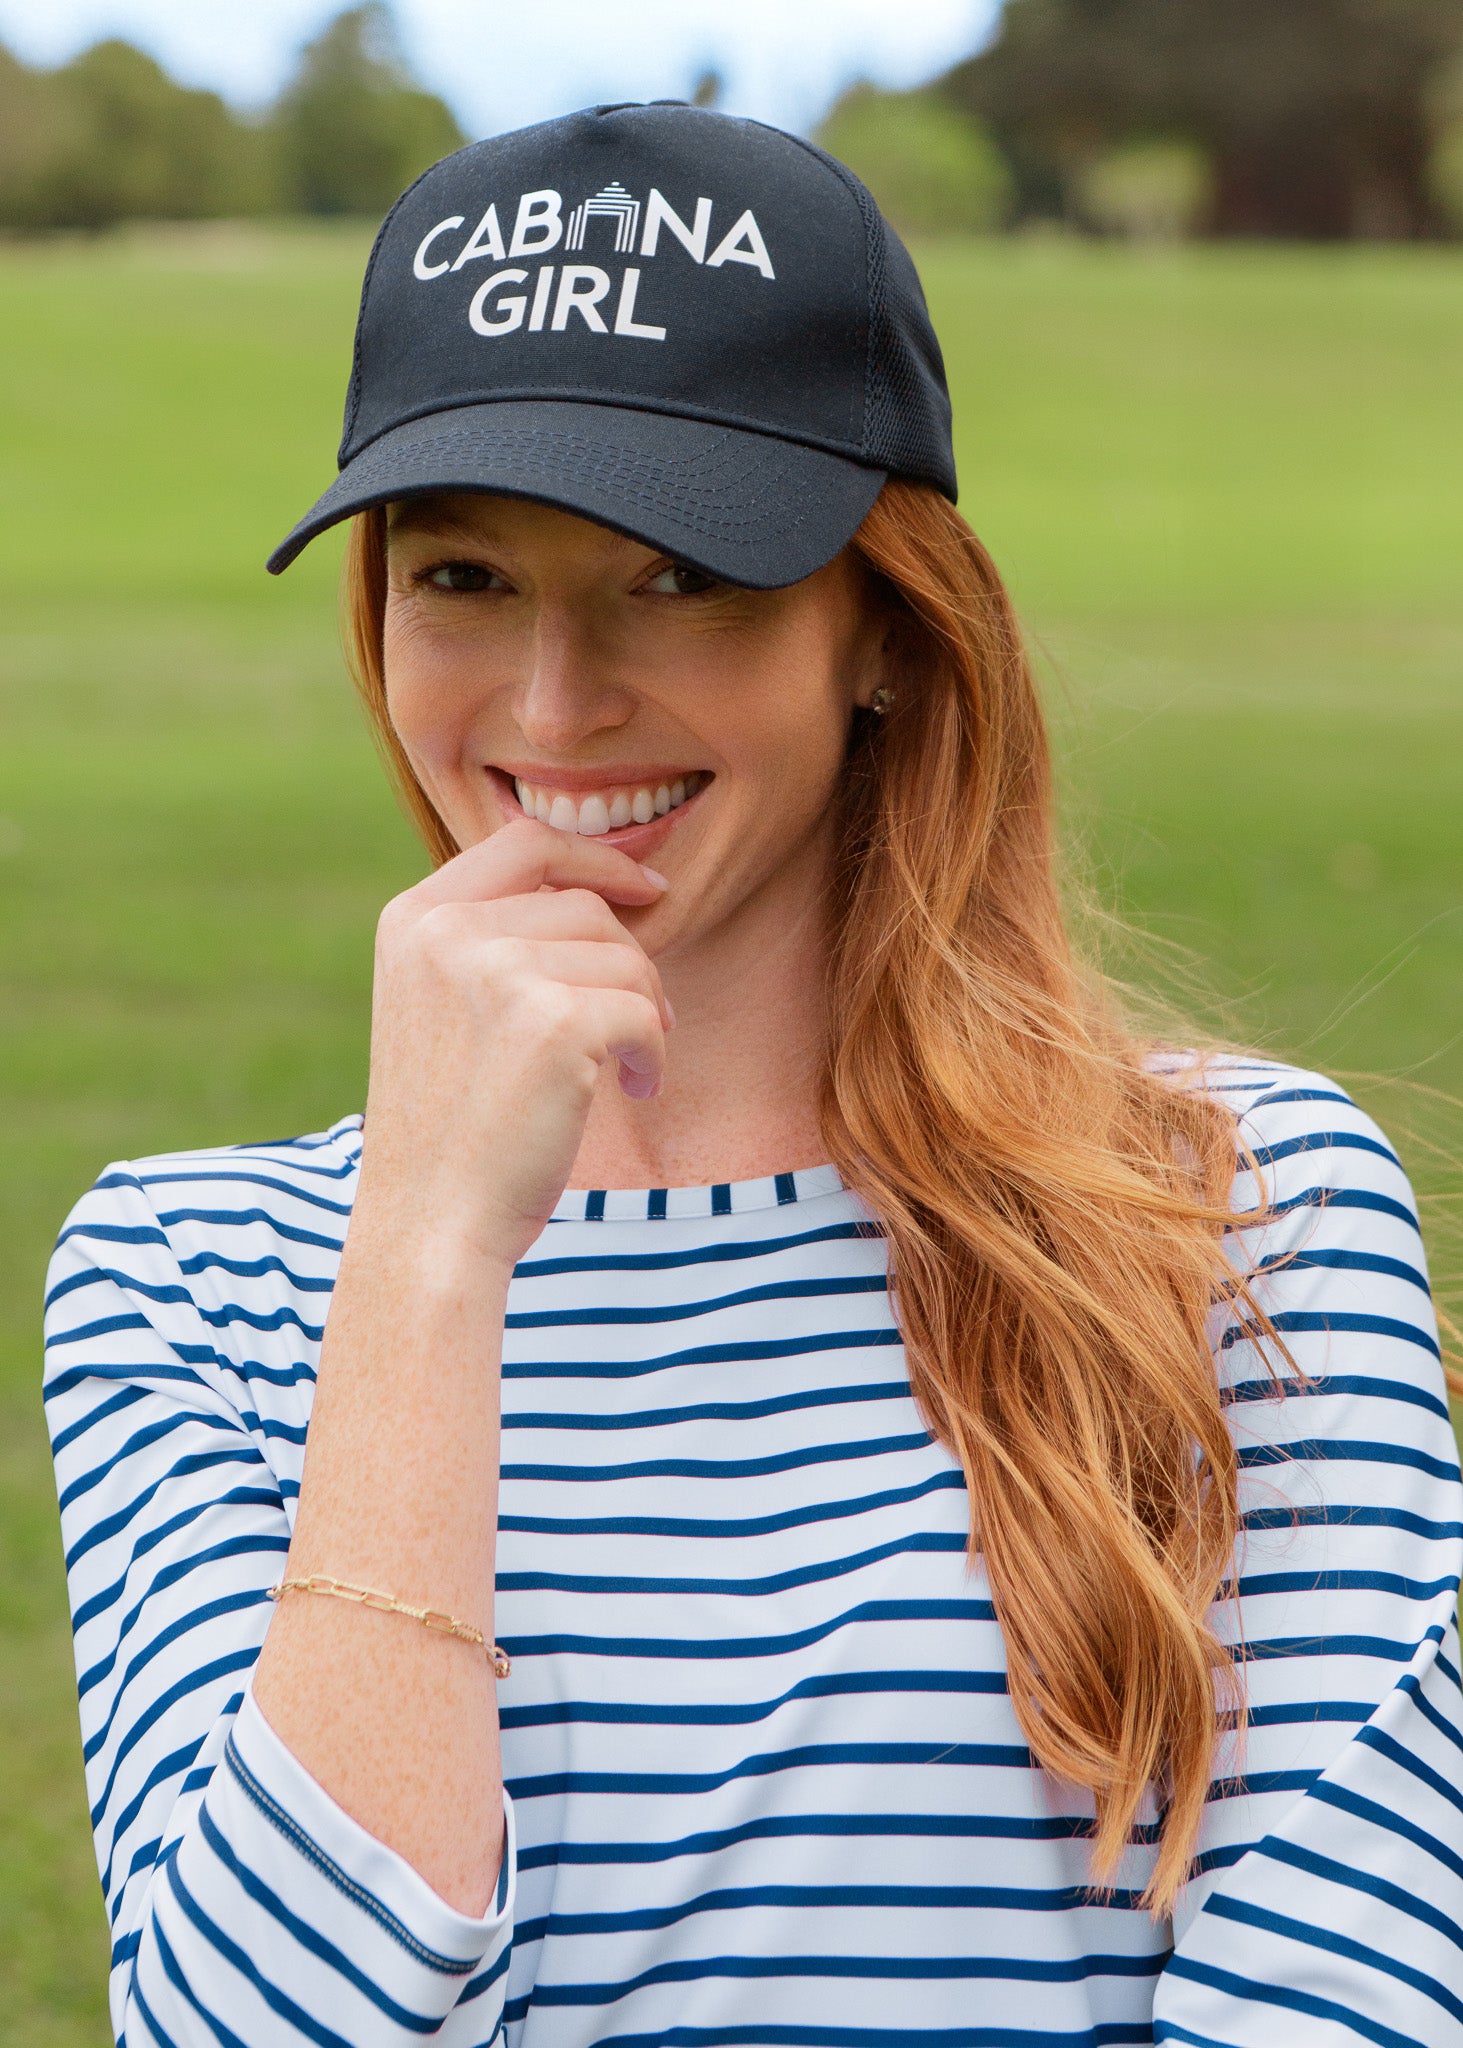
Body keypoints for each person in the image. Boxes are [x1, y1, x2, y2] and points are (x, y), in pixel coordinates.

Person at [44, 101, 1463, 2048]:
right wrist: (431, 1266)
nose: (552, 705)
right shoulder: (193, 1273)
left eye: (677, 576)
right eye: (463, 576)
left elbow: (1349, 2000)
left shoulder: (1238, 1209)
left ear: (884, 626)